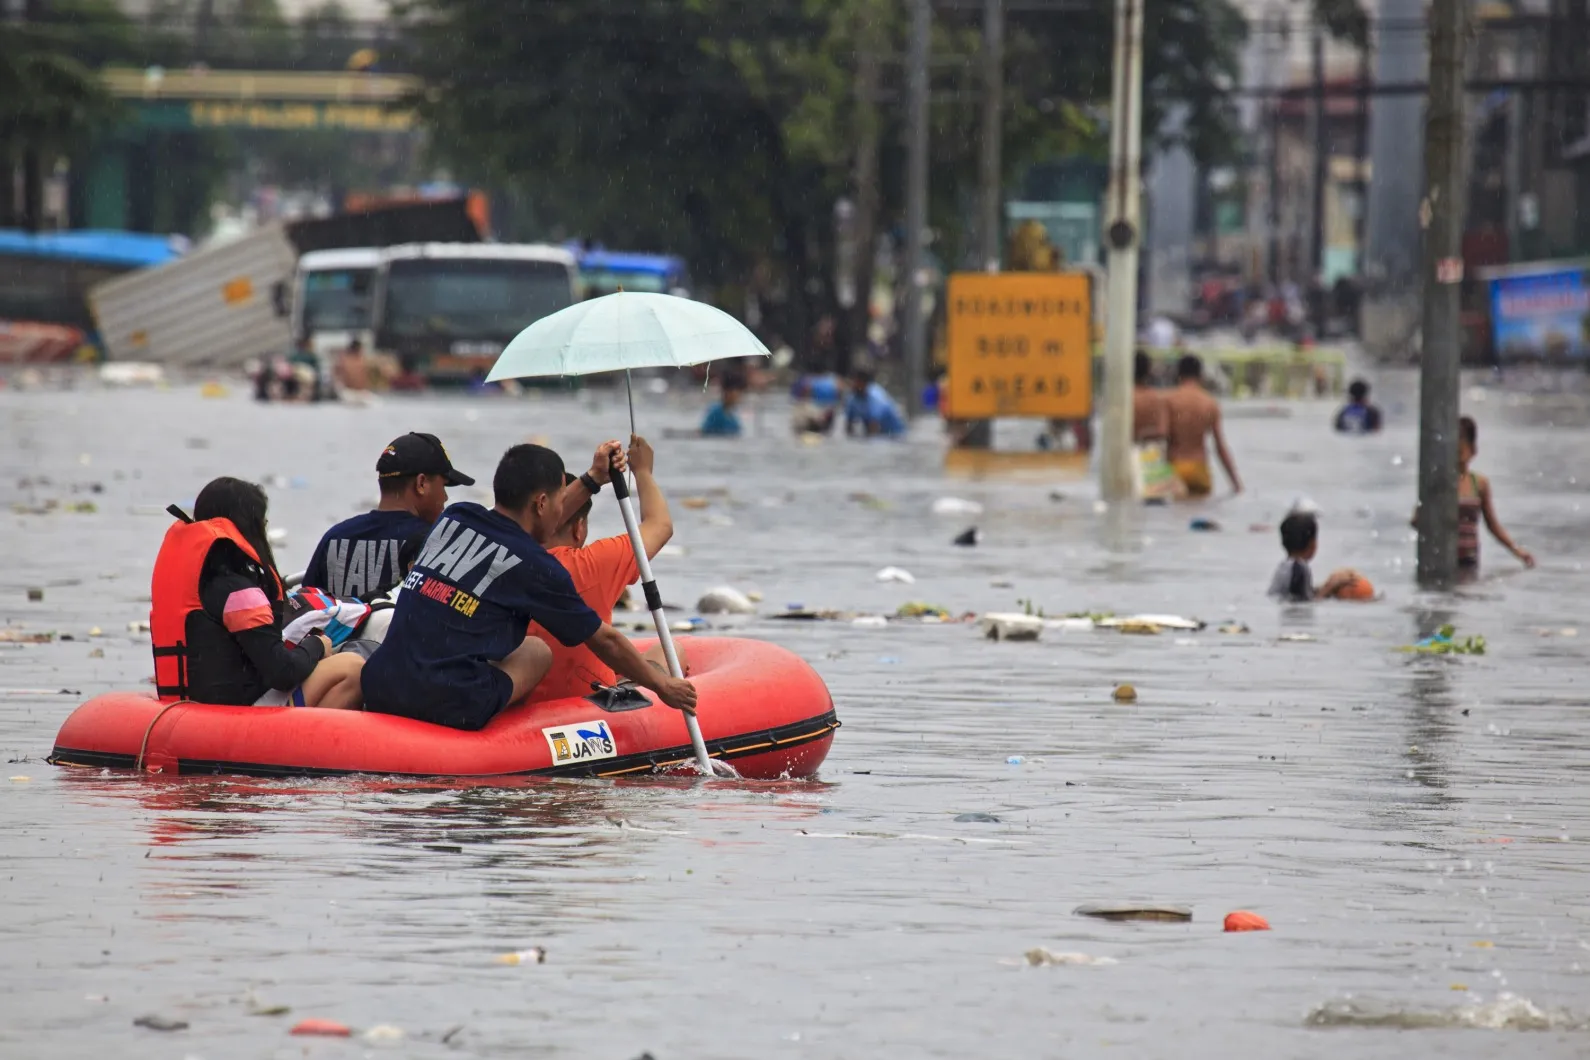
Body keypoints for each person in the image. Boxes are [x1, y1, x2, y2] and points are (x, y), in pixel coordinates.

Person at [359, 443, 698, 731]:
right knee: (537, 651)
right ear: (541, 504)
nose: (562, 509)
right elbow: (605, 641)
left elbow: (530, 520)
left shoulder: (456, 517)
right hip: (450, 703)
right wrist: (663, 686)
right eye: (558, 501)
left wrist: (594, 480)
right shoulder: (537, 568)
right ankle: (505, 733)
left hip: (380, 684)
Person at [149, 477, 365, 710]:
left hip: (196, 706)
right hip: (237, 714)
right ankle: (312, 744)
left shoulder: (201, 584)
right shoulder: (238, 592)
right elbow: (282, 673)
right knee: (351, 667)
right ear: (250, 526)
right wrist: (317, 644)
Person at [529, 435, 679, 700]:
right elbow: (660, 525)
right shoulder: (594, 564)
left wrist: (592, 479)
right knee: (672, 651)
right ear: (579, 528)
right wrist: (642, 471)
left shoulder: (499, 555)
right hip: (587, 701)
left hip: (520, 703)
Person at [302, 433, 475, 600]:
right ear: (421, 484)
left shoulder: (334, 537)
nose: (444, 497)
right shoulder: (435, 544)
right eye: (443, 486)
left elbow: (304, 608)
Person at [1456, 416, 1535, 573]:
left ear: (1473, 451)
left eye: (1460, 451)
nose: (1456, 457)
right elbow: (1419, 519)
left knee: (1467, 594)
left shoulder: (1479, 483)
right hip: (1441, 559)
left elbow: (1493, 525)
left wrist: (1517, 551)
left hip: (1468, 559)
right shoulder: (1439, 484)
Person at [1164, 354, 1241, 497]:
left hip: (1174, 466)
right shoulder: (1210, 403)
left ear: (1178, 374)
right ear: (1200, 375)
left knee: (1171, 515)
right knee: (1199, 511)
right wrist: (1236, 483)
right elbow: (1220, 447)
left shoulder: (1169, 400)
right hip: (1199, 468)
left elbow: (1162, 435)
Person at [1268, 511, 1373, 602]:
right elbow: (1305, 603)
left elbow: (1297, 594)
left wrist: (1329, 586)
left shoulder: (1284, 566)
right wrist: (1330, 587)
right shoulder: (1299, 568)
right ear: (1312, 544)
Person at [844, 370, 906, 437]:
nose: (851, 384)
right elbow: (849, 424)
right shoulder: (852, 398)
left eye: (854, 382)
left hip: (895, 433)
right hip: (880, 432)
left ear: (862, 383)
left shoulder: (875, 397)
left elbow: (873, 427)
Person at [1132, 349, 1168, 443]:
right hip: (1149, 452)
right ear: (1148, 371)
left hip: (1125, 449)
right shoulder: (1156, 399)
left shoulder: (1122, 399)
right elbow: (1162, 431)